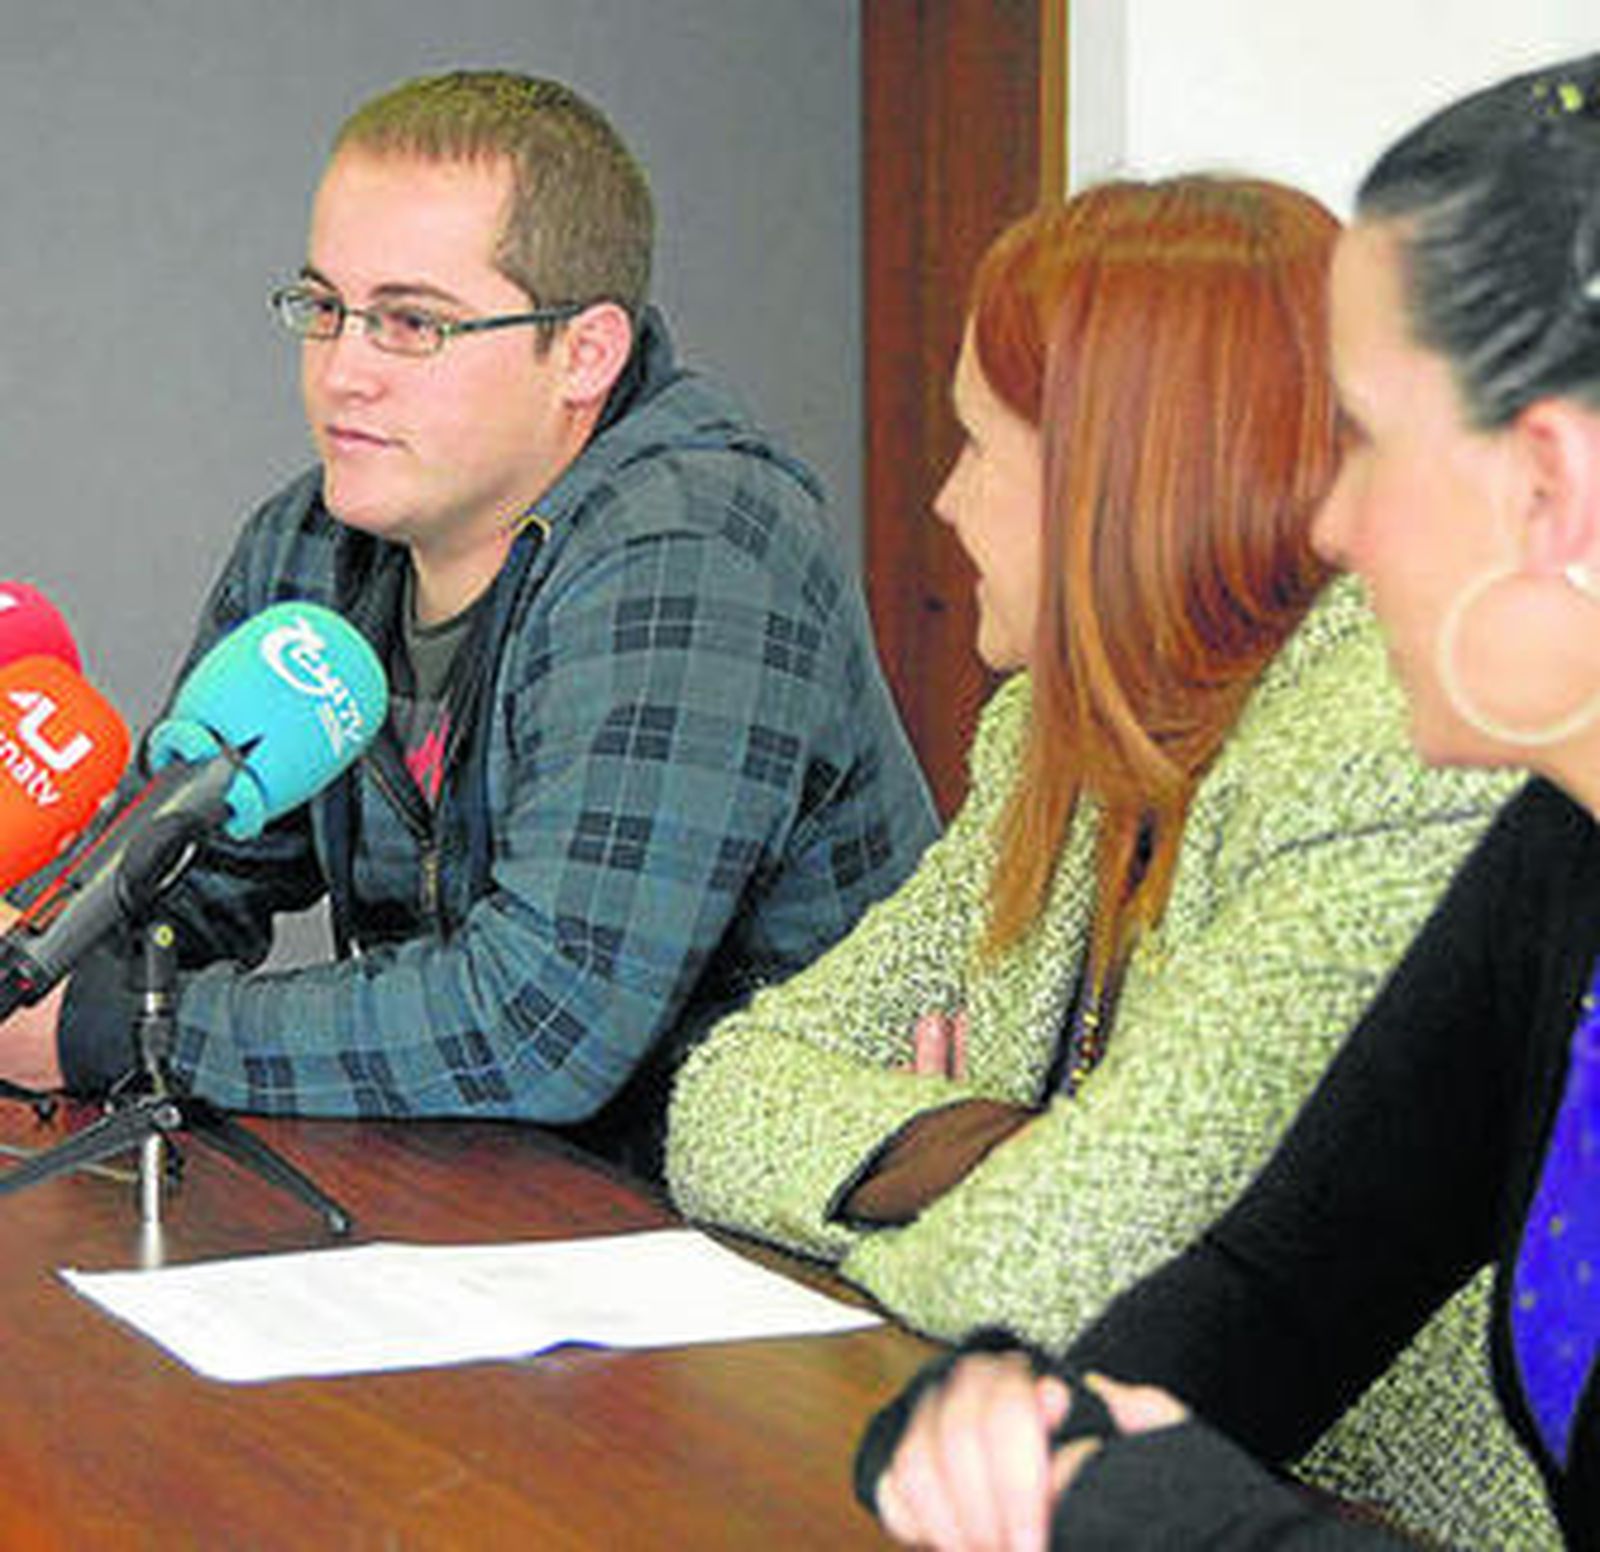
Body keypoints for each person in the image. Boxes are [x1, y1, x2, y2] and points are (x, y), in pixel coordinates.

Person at [667, 178, 1551, 1542]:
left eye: (978, 447)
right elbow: (721, 1094)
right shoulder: (1053, 747)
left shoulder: (1383, 748)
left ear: (1119, 476)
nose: (946, 504)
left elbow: (1061, 1270)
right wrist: (984, 1149)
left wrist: (1000, 1188)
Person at [857, 51, 1600, 1551]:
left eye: (1371, 444)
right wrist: (1001, 1425)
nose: (1332, 520)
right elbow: (1287, 1275)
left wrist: (1157, 1514)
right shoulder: (1557, 845)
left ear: (1552, 486)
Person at [0, 70, 935, 1176]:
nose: (342, 372)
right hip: (491, 1213)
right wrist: (38, 951)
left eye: (410, 324)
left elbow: (541, 1020)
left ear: (585, 353)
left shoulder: (697, 544)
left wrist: (121, 1027)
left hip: (767, 1244)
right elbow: (184, 882)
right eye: (325, 308)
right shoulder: (315, 541)